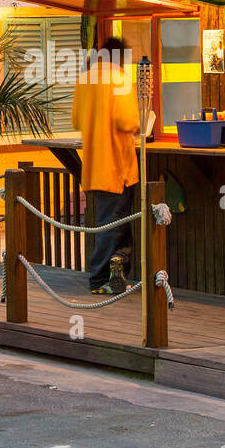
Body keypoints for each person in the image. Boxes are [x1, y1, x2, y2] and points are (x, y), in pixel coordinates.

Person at [71, 36, 140, 294]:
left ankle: (115, 278)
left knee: (115, 224)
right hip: (117, 167)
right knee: (112, 226)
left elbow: (77, 119)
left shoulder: (86, 79)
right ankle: (99, 280)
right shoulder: (119, 79)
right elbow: (127, 121)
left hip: (93, 166)